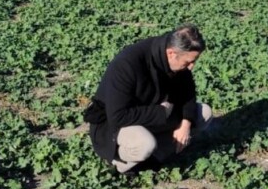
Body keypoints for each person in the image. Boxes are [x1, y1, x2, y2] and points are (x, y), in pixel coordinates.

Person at [84, 24, 212, 174]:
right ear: (171, 53)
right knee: (145, 144)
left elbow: (188, 92)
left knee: (204, 113)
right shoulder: (127, 64)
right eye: (188, 62)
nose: (191, 67)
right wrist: (161, 112)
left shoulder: (176, 59)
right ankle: (121, 163)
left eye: (194, 61)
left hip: (155, 113)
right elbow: (117, 117)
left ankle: (154, 158)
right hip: (115, 124)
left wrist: (185, 125)